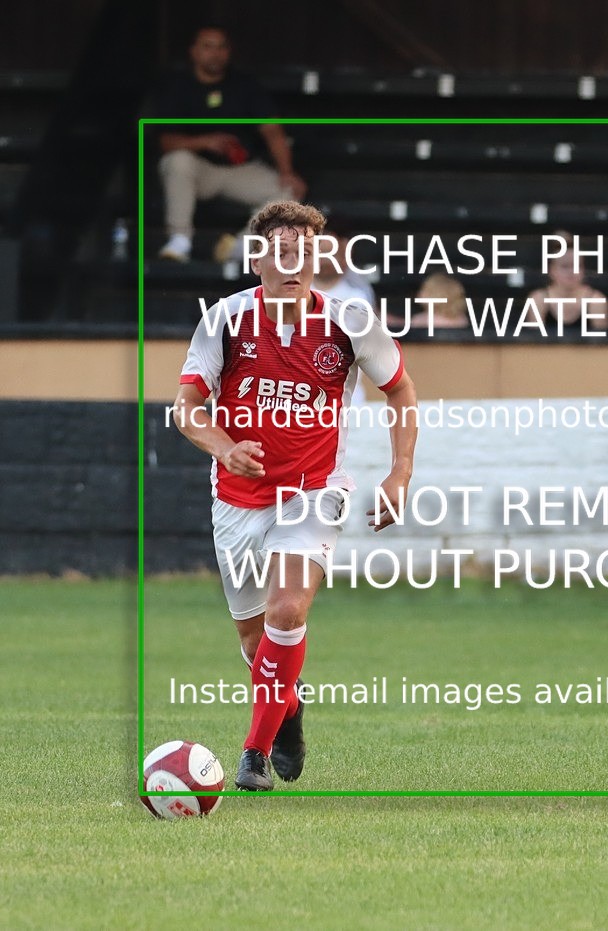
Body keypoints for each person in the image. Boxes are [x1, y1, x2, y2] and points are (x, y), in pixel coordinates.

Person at [172, 200, 417, 791]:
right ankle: (289, 710)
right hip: (236, 498)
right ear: (258, 259)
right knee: (255, 642)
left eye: (305, 252)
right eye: (281, 252)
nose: (294, 262)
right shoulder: (225, 321)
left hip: (313, 490)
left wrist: (399, 474)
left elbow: (402, 393)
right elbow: (185, 409)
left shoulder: (350, 320)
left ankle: (252, 753)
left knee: (288, 611)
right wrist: (224, 447)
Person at [153, 25, 307, 263]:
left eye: (221, 47)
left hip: (240, 169)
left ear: (229, 51)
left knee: (289, 192)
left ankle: (240, 247)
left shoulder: (245, 85)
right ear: (194, 52)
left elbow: (273, 131)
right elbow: (166, 142)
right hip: (200, 170)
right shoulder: (177, 86)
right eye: (207, 47)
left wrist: (287, 172)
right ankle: (180, 240)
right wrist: (204, 142)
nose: (215, 53)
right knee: (176, 161)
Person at [527, 231, 608, 332]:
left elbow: (603, 345)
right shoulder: (538, 299)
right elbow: (533, 344)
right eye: (565, 267)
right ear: (552, 270)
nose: (572, 272)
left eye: (577, 266)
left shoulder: (596, 301)